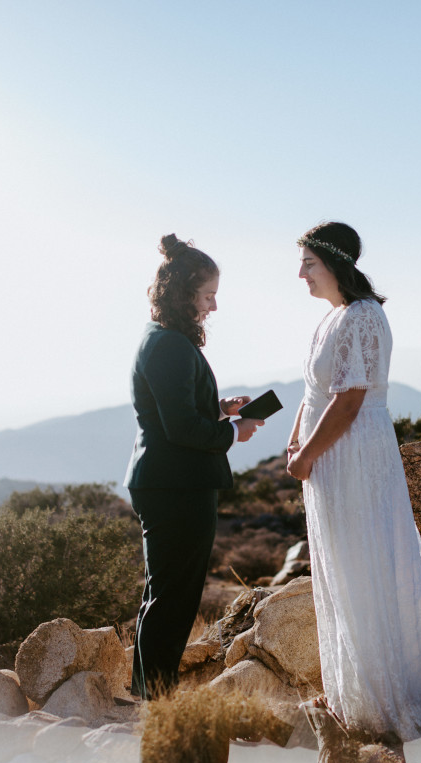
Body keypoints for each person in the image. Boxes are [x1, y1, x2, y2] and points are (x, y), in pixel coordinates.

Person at [285, 221, 421, 742]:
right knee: (342, 563)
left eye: (309, 264)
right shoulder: (332, 318)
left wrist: (307, 455)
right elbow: (313, 390)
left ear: (336, 263)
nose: (301, 274)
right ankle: (353, 688)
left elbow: (349, 400)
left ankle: (384, 697)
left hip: (354, 454)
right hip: (327, 455)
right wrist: (294, 441)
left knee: (364, 562)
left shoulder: (363, 317)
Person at [125, 234, 263, 698]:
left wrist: (219, 407)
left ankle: (149, 693)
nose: (214, 307)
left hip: (168, 483)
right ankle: (156, 700)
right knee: (173, 600)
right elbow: (181, 429)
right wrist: (232, 433)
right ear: (185, 295)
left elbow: (176, 406)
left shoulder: (164, 340)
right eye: (208, 296)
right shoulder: (169, 346)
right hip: (175, 486)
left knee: (163, 595)